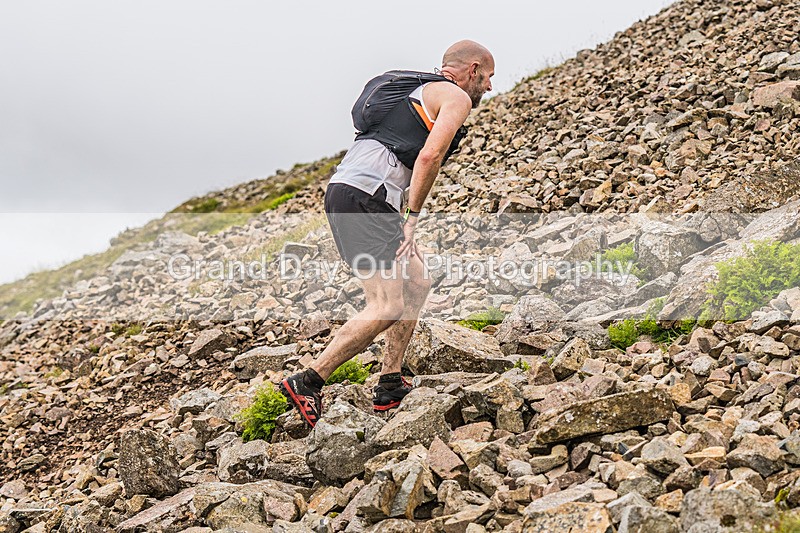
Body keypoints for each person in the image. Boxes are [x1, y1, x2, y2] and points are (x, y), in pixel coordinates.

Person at [279, 40, 495, 428]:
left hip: (354, 191)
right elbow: (430, 156)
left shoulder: (414, 88)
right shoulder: (455, 98)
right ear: (473, 70)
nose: (490, 88)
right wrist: (411, 216)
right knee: (386, 305)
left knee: (417, 280)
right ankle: (309, 380)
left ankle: (390, 382)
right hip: (367, 199)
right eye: (489, 77)